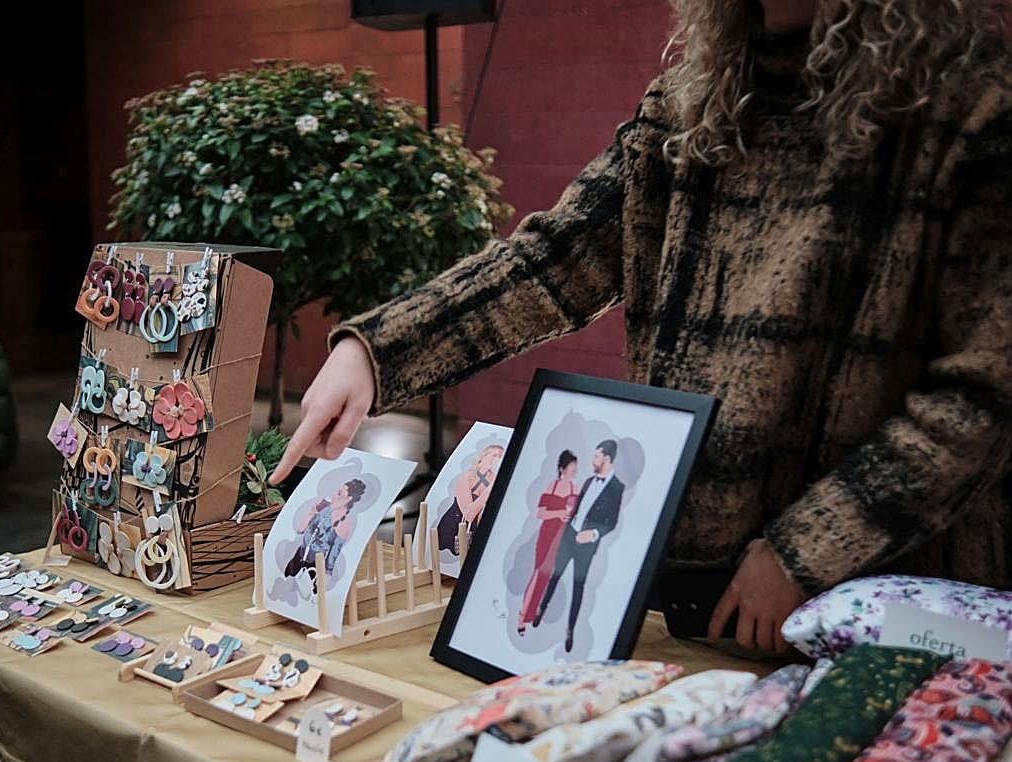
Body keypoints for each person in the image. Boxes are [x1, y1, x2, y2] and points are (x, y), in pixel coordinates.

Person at [273, 0, 1012, 654]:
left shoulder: (971, 111)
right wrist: (377, 351)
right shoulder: (691, 102)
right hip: (685, 592)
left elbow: (985, 394)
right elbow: (555, 260)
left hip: (883, 606)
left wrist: (810, 549)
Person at [534, 441, 625, 652]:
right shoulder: (589, 481)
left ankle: (570, 630)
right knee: (555, 574)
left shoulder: (616, 487)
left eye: (596, 457)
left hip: (587, 544)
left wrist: (593, 534)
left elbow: (611, 522)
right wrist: (569, 521)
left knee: (578, 585)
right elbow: (579, 508)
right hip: (570, 534)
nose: (593, 461)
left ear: (607, 459)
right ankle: (541, 609)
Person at [518, 449, 579, 636]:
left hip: (563, 535)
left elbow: (576, 514)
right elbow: (540, 513)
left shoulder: (575, 489)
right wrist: (559, 513)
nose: (573, 470)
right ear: (562, 468)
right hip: (547, 533)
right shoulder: (552, 486)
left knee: (548, 576)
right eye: (571, 467)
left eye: (575, 467)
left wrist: (569, 517)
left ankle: (531, 613)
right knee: (539, 573)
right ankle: (524, 615)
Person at [283, 478, 366, 594]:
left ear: (349, 499)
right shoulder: (325, 509)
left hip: (315, 565)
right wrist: (311, 513)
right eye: (336, 492)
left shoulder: (343, 525)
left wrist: (325, 579)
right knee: (286, 584)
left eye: (339, 494)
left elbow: (333, 555)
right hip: (299, 554)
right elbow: (300, 530)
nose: (334, 496)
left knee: (307, 593)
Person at [435, 443, 504, 556]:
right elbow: (469, 514)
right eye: (494, 455)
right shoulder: (466, 477)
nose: (496, 460)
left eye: (500, 457)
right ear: (483, 456)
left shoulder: (494, 479)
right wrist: (490, 488)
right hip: (454, 527)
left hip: (474, 531)